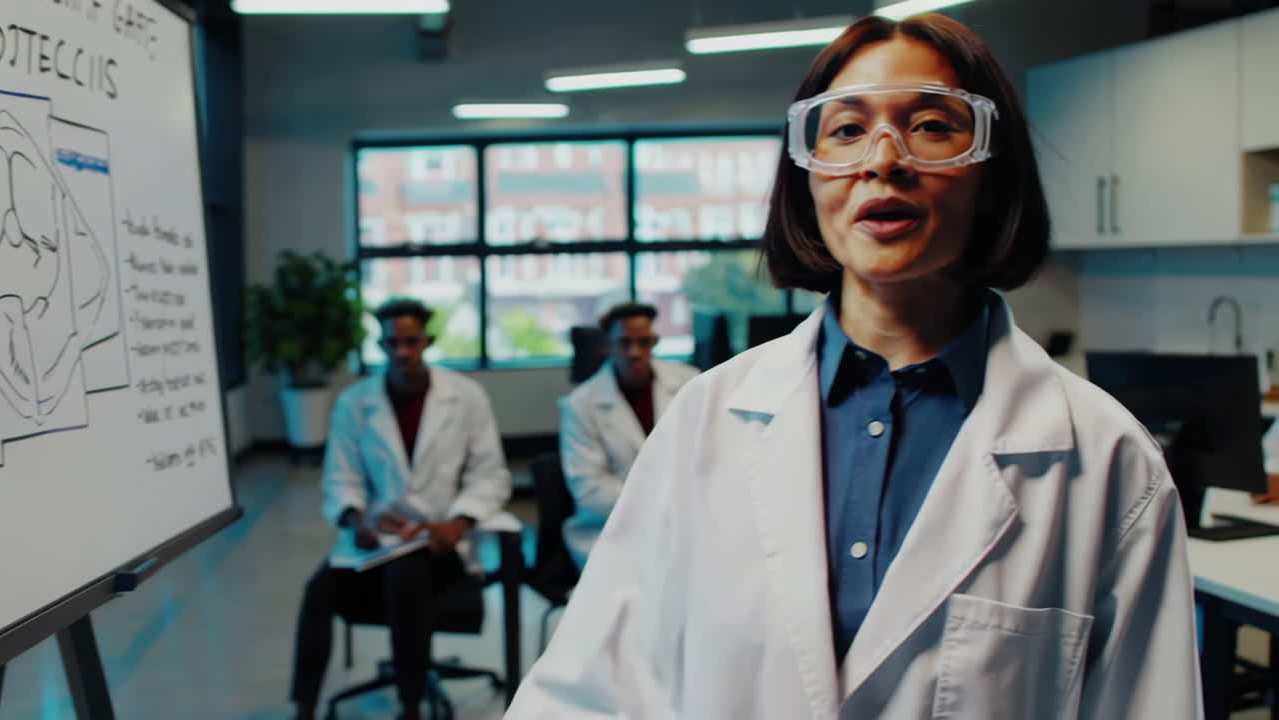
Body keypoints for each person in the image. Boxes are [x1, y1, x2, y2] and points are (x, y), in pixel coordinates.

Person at [506, 13, 1201, 719]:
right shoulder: (705, 420)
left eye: (931, 125)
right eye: (844, 130)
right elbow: (586, 691)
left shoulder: (1106, 459)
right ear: (807, 178)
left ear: (991, 172)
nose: (883, 159)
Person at [290, 298, 511, 720]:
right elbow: (340, 477)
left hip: (438, 542)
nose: (403, 352)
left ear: (427, 341)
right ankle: (303, 708)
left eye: (412, 342)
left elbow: (491, 475)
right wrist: (356, 519)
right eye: (393, 343)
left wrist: (459, 521)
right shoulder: (355, 402)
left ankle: (410, 707)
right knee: (317, 592)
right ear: (382, 344)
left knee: (405, 576)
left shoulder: (465, 396)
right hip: (376, 539)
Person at [558, 302, 698, 569]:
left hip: (684, 520)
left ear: (654, 341)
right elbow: (589, 488)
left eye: (644, 342)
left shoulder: (688, 383)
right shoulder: (582, 404)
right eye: (624, 343)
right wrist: (660, 500)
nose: (635, 353)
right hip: (614, 528)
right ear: (606, 346)